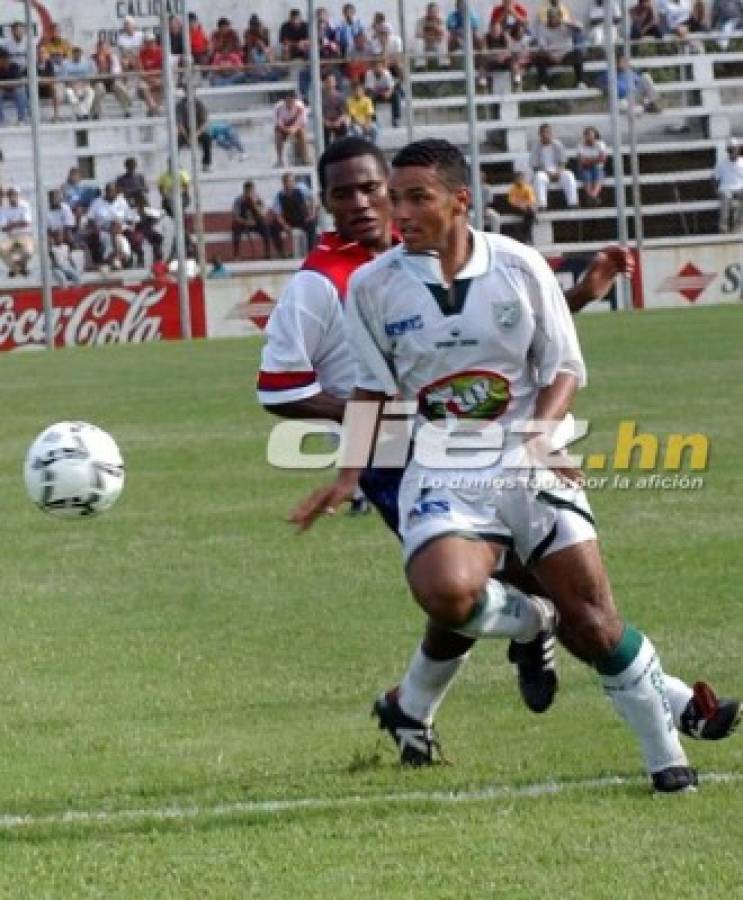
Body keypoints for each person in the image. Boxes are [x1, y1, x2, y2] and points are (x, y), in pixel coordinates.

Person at [289, 138, 741, 793]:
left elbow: (561, 364)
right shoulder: (371, 286)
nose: (401, 212)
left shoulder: (517, 265)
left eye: (418, 197)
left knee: (595, 621)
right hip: (441, 468)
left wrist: (538, 433)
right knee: (444, 591)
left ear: (458, 201)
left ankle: (665, 756)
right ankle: (534, 622)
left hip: (530, 462)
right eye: (398, 198)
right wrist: (350, 475)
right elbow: (372, 389)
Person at [529, 123, 579, 209]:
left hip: (558, 170)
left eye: (547, 132)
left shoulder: (558, 144)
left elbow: (563, 161)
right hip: (543, 172)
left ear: (551, 134)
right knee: (539, 177)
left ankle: (573, 203)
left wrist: (558, 171)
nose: (545, 135)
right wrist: (548, 173)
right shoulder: (535, 146)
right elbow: (535, 166)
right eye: (543, 133)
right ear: (539, 134)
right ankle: (542, 205)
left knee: (569, 175)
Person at [535, 7, 586, 90]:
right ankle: (543, 84)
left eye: (554, 17)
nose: (552, 19)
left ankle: (580, 82)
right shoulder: (543, 28)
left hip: (566, 54)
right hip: (550, 55)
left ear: (559, 17)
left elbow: (580, 28)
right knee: (539, 57)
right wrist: (550, 55)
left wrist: (568, 23)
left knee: (578, 54)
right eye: (550, 17)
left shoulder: (566, 26)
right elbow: (542, 45)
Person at [268, 172, 317, 255]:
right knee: (273, 226)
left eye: (291, 181)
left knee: (311, 224)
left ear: (294, 181)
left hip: (302, 218)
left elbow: (313, 198)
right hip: (288, 220)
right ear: (283, 183)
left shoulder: (301, 189)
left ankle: (311, 253)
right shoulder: (279, 195)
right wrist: (285, 225)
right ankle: (282, 252)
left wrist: (312, 214)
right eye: (286, 182)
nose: (289, 184)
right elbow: (277, 214)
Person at [598, 55, 663, 114]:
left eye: (625, 61)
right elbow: (599, 83)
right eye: (621, 61)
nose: (624, 63)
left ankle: (651, 103)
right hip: (622, 99)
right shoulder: (609, 74)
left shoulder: (631, 72)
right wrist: (606, 88)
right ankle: (644, 108)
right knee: (622, 106)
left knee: (646, 76)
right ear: (616, 63)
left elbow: (641, 83)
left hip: (634, 95)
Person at [232, 180, 276, 259]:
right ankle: (236, 254)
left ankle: (268, 253)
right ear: (244, 190)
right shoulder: (238, 200)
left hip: (256, 223)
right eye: (247, 191)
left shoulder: (258, 199)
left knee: (265, 226)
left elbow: (263, 214)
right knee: (236, 227)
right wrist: (246, 222)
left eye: (251, 191)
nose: (249, 193)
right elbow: (236, 217)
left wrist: (254, 204)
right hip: (244, 223)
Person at [91, 36, 132, 118]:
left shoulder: (113, 57)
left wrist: (105, 73)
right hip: (98, 82)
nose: (102, 50)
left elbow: (116, 72)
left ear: (107, 48)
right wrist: (101, 71)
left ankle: (127, 109)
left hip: (111, 81)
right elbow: (93, 73)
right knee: (99, 89)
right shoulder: (92, 59)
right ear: (97, 49)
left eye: (104, 48)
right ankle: (95, 112)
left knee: (119, 87)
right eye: (100, 48)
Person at [58, 46, 99, 121]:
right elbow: (62, 78)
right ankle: (84, 114)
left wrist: (85, 83)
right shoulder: (65, 63)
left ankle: (81, 114)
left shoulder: (88, 62)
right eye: (75, 54)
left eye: (79, 54)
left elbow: (93, 74)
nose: (77, 56)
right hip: (71, 86)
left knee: (91, 92)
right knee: (70, 94)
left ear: (81, 54)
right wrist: (72, 84)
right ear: (72, 54)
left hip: (84, 85)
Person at [0, 187, 34, 276]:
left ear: (18, 195)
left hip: (25, 234)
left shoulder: (25, 205)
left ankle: (17, 268)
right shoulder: (3, 208)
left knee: (28, 252)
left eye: (14, 195)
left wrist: (11, 224)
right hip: (11, 236)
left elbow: (27, 223)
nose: (12, 197)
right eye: (10, 195)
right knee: (2, 249)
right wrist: (19, 222)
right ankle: (18, 268)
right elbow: (3, 228)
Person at [176, 91, 212, 172]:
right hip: (185, 132)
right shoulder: (180, 105)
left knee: (207, 138)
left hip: (197, 132)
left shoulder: (199, 104)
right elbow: (179, 124)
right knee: (175, 141)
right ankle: (174, 164)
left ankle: (206, 164)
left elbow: (205, 122)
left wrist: (195, 135)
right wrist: (187, 137)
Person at [713, 138, 743, 232]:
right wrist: (715, 190)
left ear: (738, 149)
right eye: (731, 149)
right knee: (726, 197)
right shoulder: (721, 164)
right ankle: (723, 228)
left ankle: (737, 228)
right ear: (727, 150)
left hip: (740, 188)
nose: (733, 151)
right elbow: (715, 179)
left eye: (734, 149)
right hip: (726, 188)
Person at [274, 91, 309, 167]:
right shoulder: (278, 107)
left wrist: (294, 129)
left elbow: (302, 122)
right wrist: (287, 129)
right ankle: (279, 159)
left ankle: (305, 158)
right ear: (284, 100)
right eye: (288, 101)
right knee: (278, 135)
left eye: (291, 100)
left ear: (295, 100)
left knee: (302, 132)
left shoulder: (300, 106)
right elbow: (279, 123)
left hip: (296, 127)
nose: (290, 103)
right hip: (283, 128)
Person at [365, 60, 402, 128]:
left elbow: (391, 87)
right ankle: (373, 120)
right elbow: (370, 89)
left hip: (385, 92)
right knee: (370, 98)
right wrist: (380, 92)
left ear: (382, 67)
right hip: (374, 93)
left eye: (379, 67)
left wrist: (388, 93)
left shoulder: (386, 73)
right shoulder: (369, 74)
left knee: (396, 95)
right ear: (373, 68)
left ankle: (396, 119)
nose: (378, 68)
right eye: (376, 67)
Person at [576, 126, 607, 206]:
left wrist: (588, 160)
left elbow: (603, 159)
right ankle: (593, 197)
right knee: (586, 175)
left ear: (595, 136)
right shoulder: (580, 146)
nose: (589, 137)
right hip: (585, 169)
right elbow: (581, 162)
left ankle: (592, 196)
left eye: (591, 135)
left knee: (598, 173)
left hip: (597, 168)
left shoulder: (600, 144)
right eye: (587, 135)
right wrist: (595, 160)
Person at [507, 170, 538, 242]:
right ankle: (528, 235)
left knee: (529, 212)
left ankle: (525, 235)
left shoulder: (527, 188)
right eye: (517, 178)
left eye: (520, 178)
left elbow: (532, 200)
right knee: (530, 213)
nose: (519, 180)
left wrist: (525, 204)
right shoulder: (513, 189)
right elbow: (511, 201)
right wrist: (521, 205)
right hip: (515, 208)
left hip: (526, 208)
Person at [137, 31, 163, 117]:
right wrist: (150, 79)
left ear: (155, 41)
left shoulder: (161, 52)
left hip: (158, 78)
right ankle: (154, 108)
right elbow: (141, 71)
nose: (150, 44)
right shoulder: (141, 53)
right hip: (147, 80)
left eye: (151, 41)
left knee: (162, 84)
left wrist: (156, 79)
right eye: (147, 42)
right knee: (142, 86)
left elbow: (164, 69)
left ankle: (153, 109)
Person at [0, 48, 28, 125]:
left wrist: (6, 84)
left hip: (13, 91)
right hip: (3, 92)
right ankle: (1, 120)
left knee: (21, 91)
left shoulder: (15, 66)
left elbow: (18, 82)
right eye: (2, 59)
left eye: (6, 58)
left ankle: (22, 119)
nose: (5, 61)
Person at [322, 72, 350, 145]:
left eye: (332, 81)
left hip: (337, 120)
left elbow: (344, 112)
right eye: (328, 81)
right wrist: (325, 121)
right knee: (323, 130)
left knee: (343, 127)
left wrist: (338, 121)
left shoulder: (341, 96)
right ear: (324, 82)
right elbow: (318, 113)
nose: (331, 83)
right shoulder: (320, 97)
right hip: (325, 121)